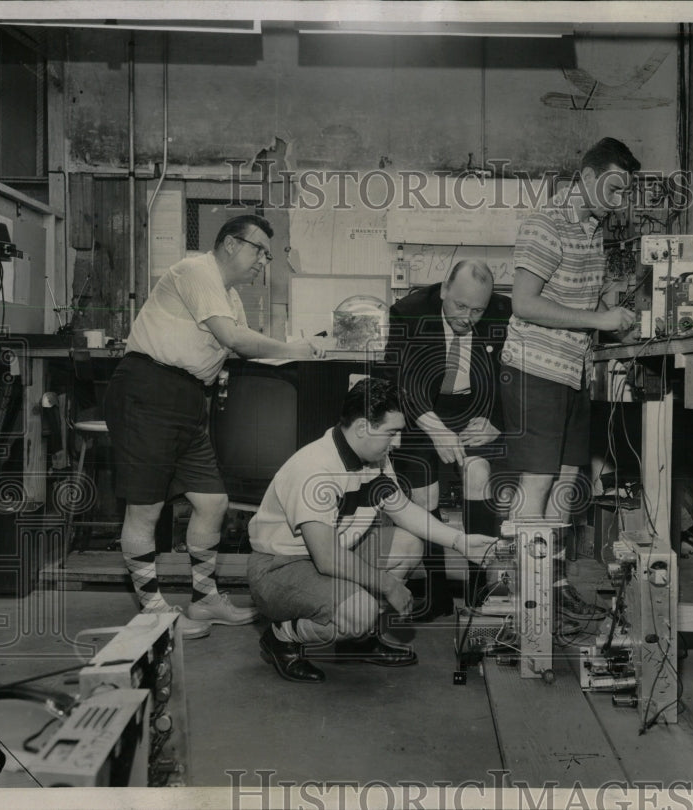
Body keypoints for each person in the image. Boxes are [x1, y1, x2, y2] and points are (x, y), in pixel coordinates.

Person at [105, 214, 323, 640]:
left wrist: (306, 349)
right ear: (229, 244)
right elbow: (236, 340)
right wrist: (294, 348)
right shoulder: (196, 270)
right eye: (258, 249)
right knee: (145, 509)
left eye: (267, 253)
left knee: (212, 502)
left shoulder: (230, 296)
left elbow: (245, 343)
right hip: (148, 389)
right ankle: (152, 612)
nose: (264, 260)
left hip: (188, 398)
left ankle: (204, 599)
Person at [247, 377, 497, 683]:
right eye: (391, 433)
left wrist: (460, 541)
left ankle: (358, 639)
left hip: (334, 552)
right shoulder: (316, 469)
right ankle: (281, 637)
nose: (396, 442)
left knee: (408, 545)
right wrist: (388, 586)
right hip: (279, 568)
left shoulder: (373, 457)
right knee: (361, 612)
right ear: (363, 427)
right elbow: (326, 558)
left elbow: (402, 509)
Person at [499, 137, 639, 617]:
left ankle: (550, 593)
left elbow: (586, 301)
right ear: (585, 178)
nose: (619, 201)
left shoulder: (593, 230)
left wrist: (614, 309)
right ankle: (526, 605)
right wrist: (600, 321)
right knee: (536, 487)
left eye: (625, 192)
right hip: (534, 368)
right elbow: (524, 302)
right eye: (614, 188)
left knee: (565, 484)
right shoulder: (544, 224)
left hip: (572, 371)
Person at [383, 259, 511, 615]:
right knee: (425, 494)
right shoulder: (407, 312)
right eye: (460, 306)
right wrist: (434, 427)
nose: (467, 317)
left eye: (477, 310)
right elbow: (400, 377)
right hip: (425, 408)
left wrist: (496, 421)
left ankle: (478, 590)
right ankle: (437, 594)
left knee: (478, 476)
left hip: (476, 408)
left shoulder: (505, 313)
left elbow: (514, 374)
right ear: (443, 291)